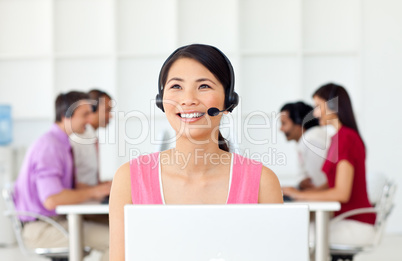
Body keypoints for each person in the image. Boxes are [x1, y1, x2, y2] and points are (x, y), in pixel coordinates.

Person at [109, 44, 283, 260]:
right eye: (176, 86)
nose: (188, 99)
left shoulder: (262, 181)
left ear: (229, 100)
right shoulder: (130, 178)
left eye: (204, 86)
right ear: (161, 101)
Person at [13, 91, 111, 261]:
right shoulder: (50, 146)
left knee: (117, 226)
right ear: (66, 116)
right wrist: (94, 192)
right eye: (85, 114)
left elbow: (69, 187)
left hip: (52, 222)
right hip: (42, 228)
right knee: (116, 240)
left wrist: (101, 188)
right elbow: (52, 199)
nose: (90, 121)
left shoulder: (60, 143)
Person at [283, 83, 376, 246]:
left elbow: (341, 193)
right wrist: (303, 191)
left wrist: (299, 195)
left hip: (355, 223)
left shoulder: (346, 138)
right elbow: (332, 182)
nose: (315, 113)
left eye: (318, 106)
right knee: (302, 230)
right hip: (343, 219)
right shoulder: (336, 138)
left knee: (302, 235)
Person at [280, 101, 329, 190]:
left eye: (284, 123)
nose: (281, 129)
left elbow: (319, 183)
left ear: (299, 123)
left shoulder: (311, 140)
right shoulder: (308, 139)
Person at [70, 89, 113, 189]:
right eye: (107, 110)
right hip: (79, 202)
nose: (110, 116)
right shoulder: (77, 139)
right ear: (92, 110)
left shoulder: (92, 137)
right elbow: (71, 183)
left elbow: (87, 178)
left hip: (90, 200)